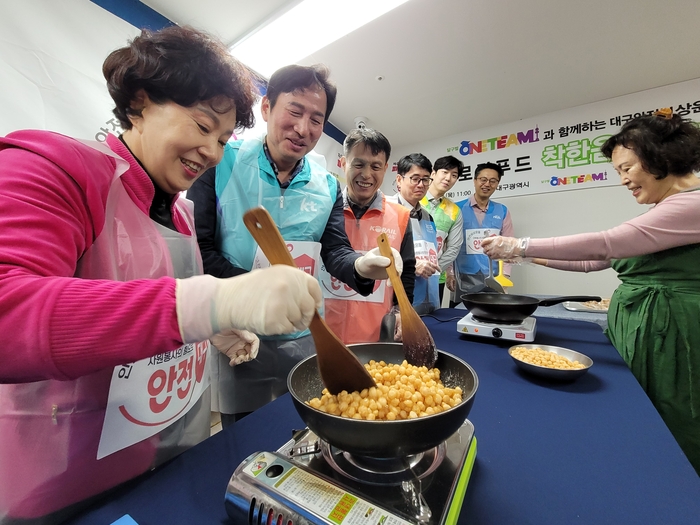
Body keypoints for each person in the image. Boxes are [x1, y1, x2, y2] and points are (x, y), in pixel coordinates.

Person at [0, 26, 325, 523]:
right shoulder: (54, 168)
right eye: (200, 126)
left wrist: (209, 328)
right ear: (140, 100)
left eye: (222, 138)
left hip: (166, 460)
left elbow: (152, 298)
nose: (213, 152)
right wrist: (206, 302)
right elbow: (10, 314)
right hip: (61, 489)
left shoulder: (179, 214)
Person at [482, 109, 700, 475]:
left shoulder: (691, 204)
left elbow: (606, 244)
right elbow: (591, 263)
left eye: (627, 168)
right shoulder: (667, 208)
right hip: (644, 331)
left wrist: (519, 244)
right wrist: (526, 256)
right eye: (618, 171)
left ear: (659, 156)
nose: (623, 180)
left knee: (675, 417)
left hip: (677, 338)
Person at [188, 64, 395, 426]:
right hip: (238, 331)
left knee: (300, 427)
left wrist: (362, 265)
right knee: (244, 431)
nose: (304, 129)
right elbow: (198, 250)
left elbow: (334, 250)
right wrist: (252, 292)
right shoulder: (221, 162)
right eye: (294, 111)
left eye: (317, 119)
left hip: (303, 334)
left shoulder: (327, 185)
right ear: (267, 108)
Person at [323, 128, 416, 344]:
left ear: (385, 169)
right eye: (358, 164)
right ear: (343, 163)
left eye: (375, 166)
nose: (366, 174)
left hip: (374, 334)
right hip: (321, 329)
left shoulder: (401, 216)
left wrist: (403, 310)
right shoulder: (323, 208)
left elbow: (407, 270)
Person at [451, 161, 514, 305]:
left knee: (493, 316)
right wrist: (450, 273)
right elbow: (449, 243)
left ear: (498, 184)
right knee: (460, 316)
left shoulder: (502, 210)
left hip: (494, 275)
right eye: (483, 180)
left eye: (493, 181)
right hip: (463, 275)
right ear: (474, 181)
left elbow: (510, 245)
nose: (487, 184)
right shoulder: (456, 208)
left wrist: (505, 275)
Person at [386, 153, 441, 314]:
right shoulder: (386, 210)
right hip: (395, 301)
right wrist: (411, 265)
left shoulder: (427, 217)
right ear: (399, 180)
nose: (421, 184)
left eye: (425, 179)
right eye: (415, 178)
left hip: (428, 301)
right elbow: (373, 254)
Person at [420, 155, 464, 304]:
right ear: (433, 173)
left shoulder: (455, 211)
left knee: (431, 321)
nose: (448, 178)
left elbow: (453, 248)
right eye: (444, 172)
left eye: (454, 175)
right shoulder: (414, 199)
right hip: (407, 274)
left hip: (436, 277)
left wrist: (434, 270)